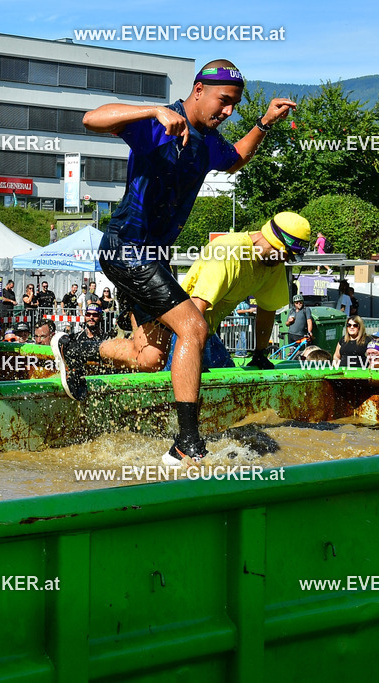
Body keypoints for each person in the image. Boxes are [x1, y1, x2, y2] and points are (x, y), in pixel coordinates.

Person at [59, 59, 295, 465]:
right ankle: (187, 442)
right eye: (224, 101)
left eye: (235, 105)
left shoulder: (208, 140)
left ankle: (76, 348)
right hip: (126, 248)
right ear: (199, 90)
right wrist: (153, 110)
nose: (228, 112)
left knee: (148, 357)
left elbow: (235, 158)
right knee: (194, 327)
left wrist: (264, 123)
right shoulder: (159, 123)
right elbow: (91, 118)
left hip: (155, 258)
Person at [174, 212, 310, 372]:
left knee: (229, 378)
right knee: (190, 383)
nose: (284, 261)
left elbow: (267, 309)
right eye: (285, 255)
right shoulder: (229, 251)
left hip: (206, 333)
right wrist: (193, 356)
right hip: (180, 330)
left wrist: (260, 354)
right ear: (274, 241)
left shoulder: (273, 262)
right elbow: (197, 305)